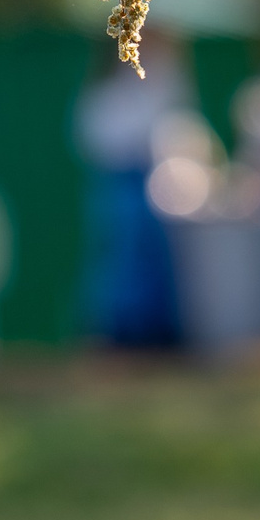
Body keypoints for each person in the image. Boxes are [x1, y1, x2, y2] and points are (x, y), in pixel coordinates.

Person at [74, 31, 191, 349]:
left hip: (156, 183)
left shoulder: (158, 85)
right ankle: (119, 328)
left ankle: (154, 329)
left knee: (154, 259)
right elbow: (99, 140)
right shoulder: (110, 93)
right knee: (122, 258)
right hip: (121, 184)